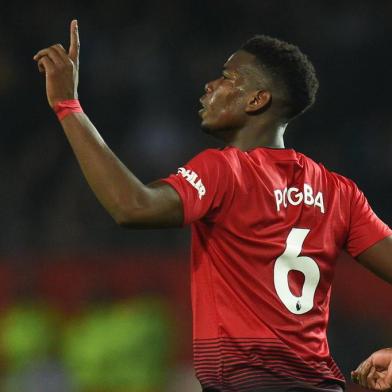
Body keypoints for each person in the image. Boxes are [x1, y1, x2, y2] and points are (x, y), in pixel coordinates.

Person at [33, 20, 392, 392]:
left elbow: (133, 206)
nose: (210, 86)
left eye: (227, 77)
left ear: (258, 99)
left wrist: (68, 106)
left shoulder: (226, 170)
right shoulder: (338, 191)